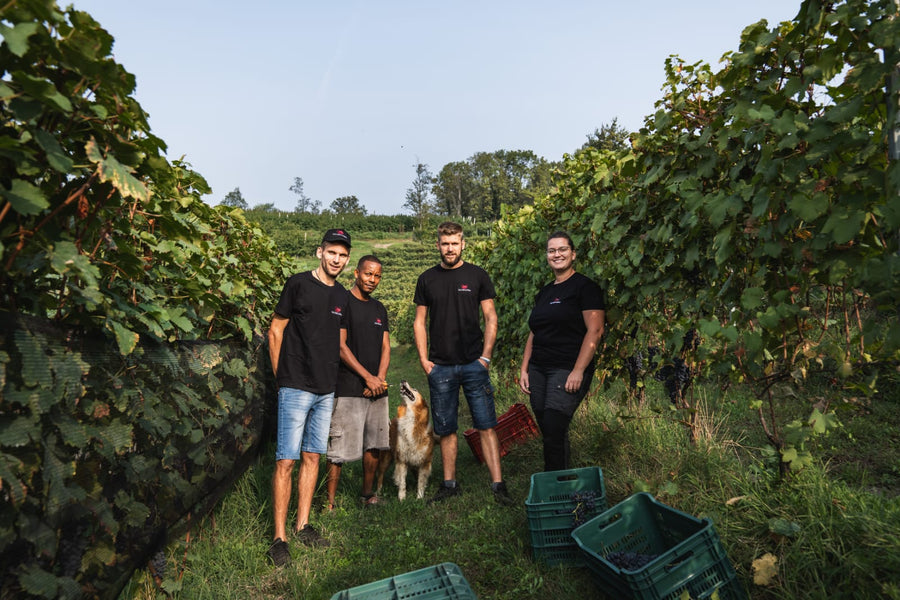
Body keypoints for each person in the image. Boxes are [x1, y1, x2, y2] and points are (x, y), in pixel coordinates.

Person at [266, 228, 352, 567]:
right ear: (320, 252)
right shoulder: (298, 283)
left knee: (313, 457)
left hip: (325, 389)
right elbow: (276, 329)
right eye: (332, 252)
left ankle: (303, 526)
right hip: (295, 385)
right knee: (286, 460)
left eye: (343, 255)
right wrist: (282, 378)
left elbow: (337, 342)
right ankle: (279, 537)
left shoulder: (342, 296)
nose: (337, 259)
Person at [413, 221, 514, 505]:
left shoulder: (477, 275)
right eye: (445, 244)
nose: (450, 248)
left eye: (454, 243)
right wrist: (424, 360)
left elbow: (490, 317)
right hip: (440, 366)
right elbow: (419, 322)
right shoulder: (427, 279)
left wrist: (486, 356)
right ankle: (449, 484)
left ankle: (498, 485)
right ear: (438, 245)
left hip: (473, 364)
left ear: (463, 244)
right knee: (446, 428)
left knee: (486, 424)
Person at [518, 231, 606, 472]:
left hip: (566, 368)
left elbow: (595, 331)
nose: (557, 254)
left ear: (573, 254)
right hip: (538, 369)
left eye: (562, 249)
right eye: (551, 251)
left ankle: (554, 487)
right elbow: (534, 332)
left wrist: (578, 371)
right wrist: (524, 368)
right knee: (548, 428)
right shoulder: (544, 292)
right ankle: (561, 480)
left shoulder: (585, 288)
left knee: (554, 426)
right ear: (547, 256)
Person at [325, 255, 391, 510]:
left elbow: (385, 346)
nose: (372, 280)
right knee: (338, 448)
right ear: (356, 273)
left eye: (377, 276)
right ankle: (329, 502)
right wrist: (368, 377)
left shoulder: (379, 309)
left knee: (374, 443)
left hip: (377, 389)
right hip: (349, 386)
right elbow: (340, 347)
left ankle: (367, 493)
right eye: (368, 274)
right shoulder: (343, 303)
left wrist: (380, 379)